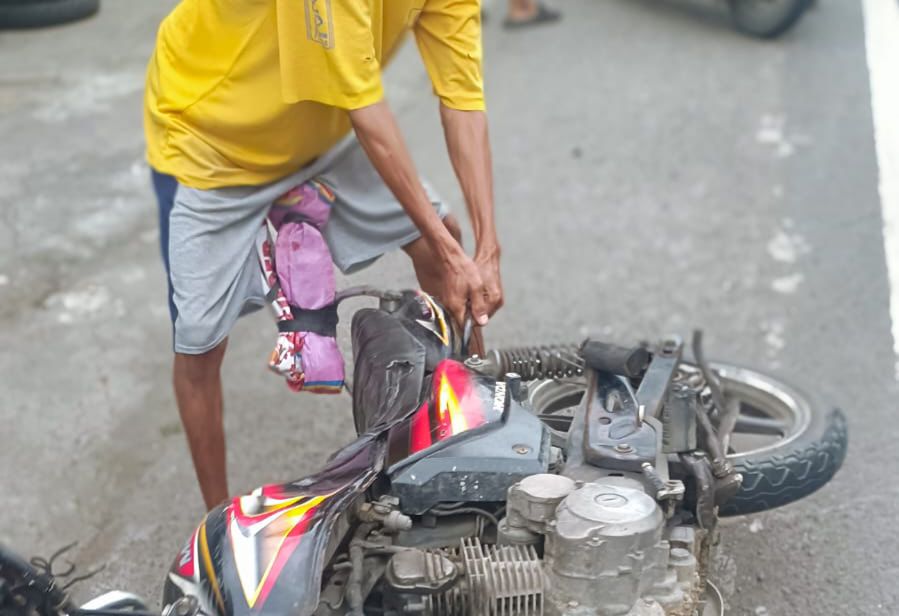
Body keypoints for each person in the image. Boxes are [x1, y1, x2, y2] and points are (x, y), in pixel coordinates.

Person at [144, 0, 504, 511]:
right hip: (212, 137)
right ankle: (216, 520)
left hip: (323, 124)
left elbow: (463, 98)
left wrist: (488, 249)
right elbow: (367, 110)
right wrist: (454, 257)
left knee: (439, 238)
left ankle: (460, 441)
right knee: (199, 341)